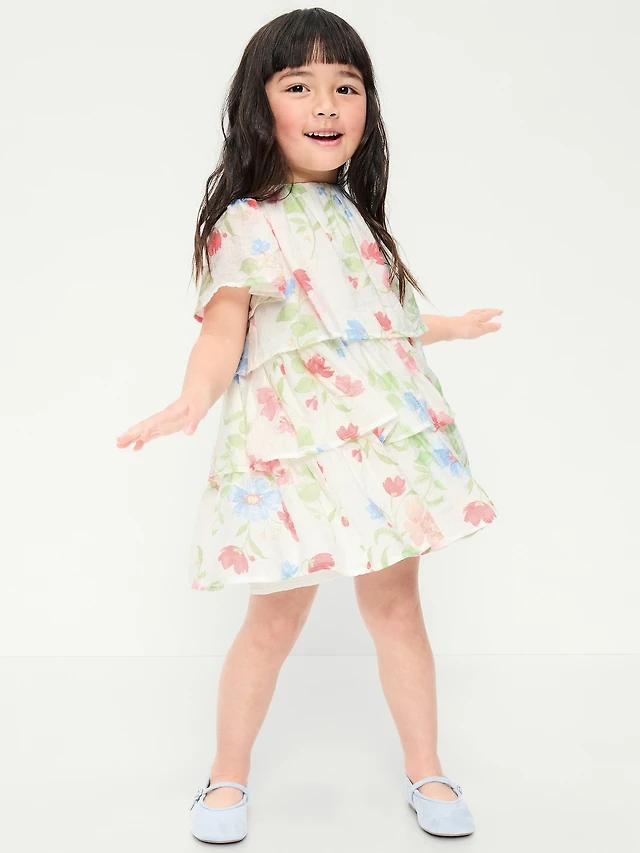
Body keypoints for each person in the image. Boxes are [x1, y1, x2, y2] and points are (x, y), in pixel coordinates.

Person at [116, 7, 503, 843]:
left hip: (381, 439)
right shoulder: (246, 222)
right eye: (300, 85)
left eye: (345, 86)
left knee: (397, 609)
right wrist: (193, 396)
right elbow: (223, 330)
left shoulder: (356, 217)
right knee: (274, 620)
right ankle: (226, 774)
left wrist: (452, 326)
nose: (326, 103)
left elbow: (381, 317)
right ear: (260, 106)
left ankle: (427, 767)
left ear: (367, 107)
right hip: (293, 447)